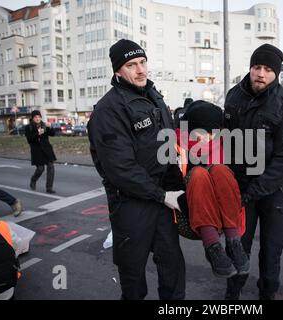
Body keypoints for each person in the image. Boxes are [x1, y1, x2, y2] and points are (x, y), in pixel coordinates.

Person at [87, 39, 185, 300]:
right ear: (118, 71)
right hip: (130, 205)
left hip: (162, 199)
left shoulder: (154, 96)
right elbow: (120, 168)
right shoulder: (109, 110)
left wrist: (179, 188)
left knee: (173, 269)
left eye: (143, 62)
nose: (141, 70)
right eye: (132, 65)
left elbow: (168, 148)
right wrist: (162, 195)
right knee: (133, 281)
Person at [223, 43, 283, 300]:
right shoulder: (233, 96)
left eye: (268, 69)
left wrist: (253, 192)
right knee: (237, 249)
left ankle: (267, 295)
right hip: (240, 188)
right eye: (256, 67)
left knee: (271, 253)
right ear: (250, 68)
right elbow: (226, 142)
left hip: (274, 193)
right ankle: (231, 296)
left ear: (276, 73)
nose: (261, 73)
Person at [171, 100, 249, 278]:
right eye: (198, 132)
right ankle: (212, 246)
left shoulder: (227, 144)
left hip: (226, 214)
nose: (203, 138)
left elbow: (240, 179)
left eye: (210, 133)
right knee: (199, 173)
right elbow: (169, 179)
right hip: (189, 214)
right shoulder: (175, 145)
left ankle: (233, 242)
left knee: (220, 169)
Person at [24, 110, 57, 194]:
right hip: (37, 151)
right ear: (32, 118)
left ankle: (49, 188)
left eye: (39, 117)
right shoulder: (28, 127)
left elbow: (52, 134)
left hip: (47, 150)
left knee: (51, 167)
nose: (37, 118)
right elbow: (29, 140)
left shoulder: (44, 125)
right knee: (40, 169)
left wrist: (50, 127)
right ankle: (33, 179)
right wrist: (38, 133)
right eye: (35, 117)